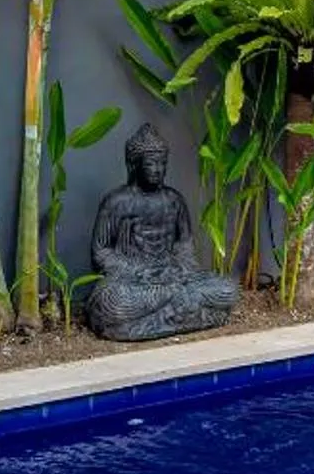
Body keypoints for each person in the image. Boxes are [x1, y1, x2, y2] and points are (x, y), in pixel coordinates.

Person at [83, 122, 239, 340]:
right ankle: (186, 313)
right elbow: (101, 251)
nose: (157, 169)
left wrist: (182, 268)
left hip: (172, 274)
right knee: (112, 302)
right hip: (134, 280)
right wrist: (135, 271)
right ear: (135, 165)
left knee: (227, 288)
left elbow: (184, 244)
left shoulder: (174, 200)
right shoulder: (117, 201)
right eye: (150, 164)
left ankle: (155, 319)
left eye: (162, 163)